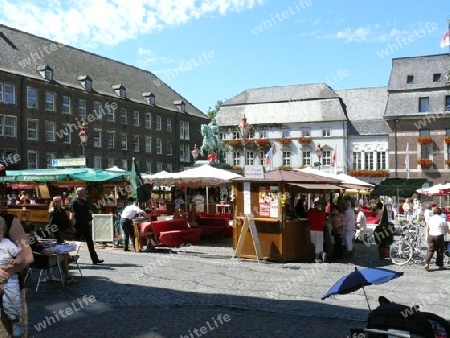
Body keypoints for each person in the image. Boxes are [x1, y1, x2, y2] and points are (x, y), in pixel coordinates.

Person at [0, 210, 33, 337]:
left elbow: (27, 256)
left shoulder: (9, 220)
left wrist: (6, 272)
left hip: (10, 283)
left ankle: (15, 320)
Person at [69, 187, 103, 265]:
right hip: (77, 225)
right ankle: (69, 258)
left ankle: (95, 259)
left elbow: (88, 211)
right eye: (83, 191)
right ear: (78, 193)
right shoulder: (74, 201)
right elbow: (72, 214)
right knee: (74, 243)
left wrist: (91, 219)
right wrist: (71, 226)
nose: (84, 193)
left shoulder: (85, 201)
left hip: (86, 224)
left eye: (84, 191)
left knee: (90, 242)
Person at [424, 206, 450, 271]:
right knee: (440, 251)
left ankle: (426, 263)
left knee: (430, 250)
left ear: (433, 212)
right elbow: (447, 230)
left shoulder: (430, 219)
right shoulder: (442, 219)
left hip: (431, 235)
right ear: (440, 212)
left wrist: (426, 236)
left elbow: (427, 228)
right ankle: (440, 265)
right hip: (439, 236)